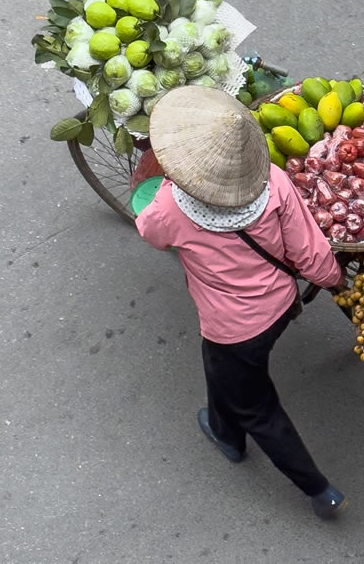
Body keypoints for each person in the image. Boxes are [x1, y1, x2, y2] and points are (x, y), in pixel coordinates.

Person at [135, 85, 349, 519]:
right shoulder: (275, 182)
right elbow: (311, 256)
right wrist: (337, 285)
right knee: (223, 371)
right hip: (281, 307)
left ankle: (318, 489)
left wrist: (175, 208)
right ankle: (223, 431)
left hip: (232, 328)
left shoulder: (169, 209)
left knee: (257, 405)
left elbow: (151, 235)